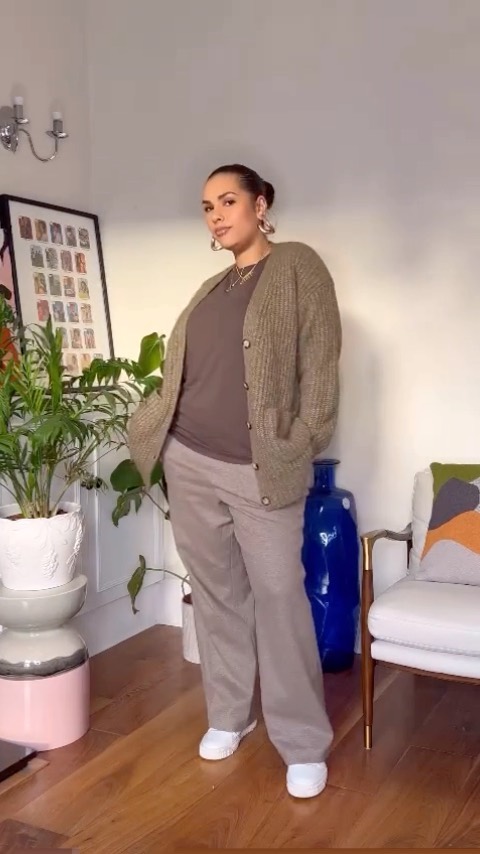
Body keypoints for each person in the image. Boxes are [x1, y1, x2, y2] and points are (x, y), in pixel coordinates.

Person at [128, 163, 342, 799]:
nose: (217, 216)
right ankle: (230, 714)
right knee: (217, 594)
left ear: (260, 204)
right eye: (207, 207)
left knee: (279, 597)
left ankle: (302, 741)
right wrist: (157, 429)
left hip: (259, 468)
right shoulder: (211, 287)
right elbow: (185, 373)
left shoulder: (299, 266)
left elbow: (320, 366)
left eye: (227, 201)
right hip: (189, 459)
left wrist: (301, 440)